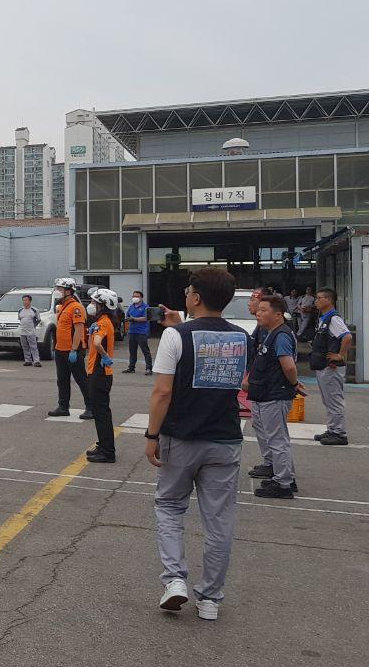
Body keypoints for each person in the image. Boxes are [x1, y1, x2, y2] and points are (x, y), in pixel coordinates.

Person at [144, 266, 248, 621]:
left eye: (189, 290)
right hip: (225, 439)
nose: (186, 295)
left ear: (197, 297)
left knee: (170, 507)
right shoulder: (241, 337)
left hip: (181, 437)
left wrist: (151, 436)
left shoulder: (175, 337)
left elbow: (162, 392)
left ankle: (175, 581)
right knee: (218, 520)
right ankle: (210, 600)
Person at [245, 294, 301, 499]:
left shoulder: (281, 335)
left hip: (274, 394)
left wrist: (294, 384)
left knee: (277, 440)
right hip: (265, 393)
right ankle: (284, 476)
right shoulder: (271, 332)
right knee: (275, 438)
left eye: (263, 310)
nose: (258, 314)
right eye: (258, 310)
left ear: (278, 314)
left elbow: (288, 365)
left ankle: (283, 484)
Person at [47, 278, 93, 420]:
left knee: (81, 380)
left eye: (60, 289)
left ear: (68, 291)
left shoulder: (76, 307)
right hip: (60, 350)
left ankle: (91, 408)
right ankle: (63, 407)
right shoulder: (62, 306)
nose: (57, 292)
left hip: (72, 350)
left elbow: (79, 329)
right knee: (62, 380)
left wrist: (74, 350)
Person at [312, 287, 352, 446]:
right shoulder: (324, 318)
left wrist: (340, 355)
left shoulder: (333, 319)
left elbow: (347, 337)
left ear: (329, 300)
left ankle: (339, 433)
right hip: (323, 366)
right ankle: (333, 429)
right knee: (328, 399)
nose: (316, 301)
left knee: (334, 400)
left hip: (331, 367)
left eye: (319, 298)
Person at [85, 288, 120, 463]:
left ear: (102, 305)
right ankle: (103, 445)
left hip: (100, 373)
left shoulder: (104, 322)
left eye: (94, 303)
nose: (91, 305)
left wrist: (105, 356)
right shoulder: (103, 321)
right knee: (100, 412)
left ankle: (107, 451)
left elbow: (98, 343)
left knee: (102, 413)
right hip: (99, 373)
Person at [123, 289, 153, 375]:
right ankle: (131, 368)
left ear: (141, 298)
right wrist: (128, 319)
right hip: (132, 331)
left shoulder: (145, 307)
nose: (135, 298)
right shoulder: (131, 306)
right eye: (133, 296)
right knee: (132, 351)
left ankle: (149, 368)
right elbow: (128, 316)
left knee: (145, 351)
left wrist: (134, 319)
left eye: (137, 296)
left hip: (141, 332)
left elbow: (146, 318)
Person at [17, 294, 42, 367]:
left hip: (31, 332)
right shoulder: (20, 310)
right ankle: (28, 360)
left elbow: (38, 320)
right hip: (22, 332)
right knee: (25, 346)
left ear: (30, 301)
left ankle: (36, 361)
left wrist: (33, 326)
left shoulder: (34, 310)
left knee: (33, 347)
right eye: (23, 300)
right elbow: (20, 319)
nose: (25, 302)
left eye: (26, 300)